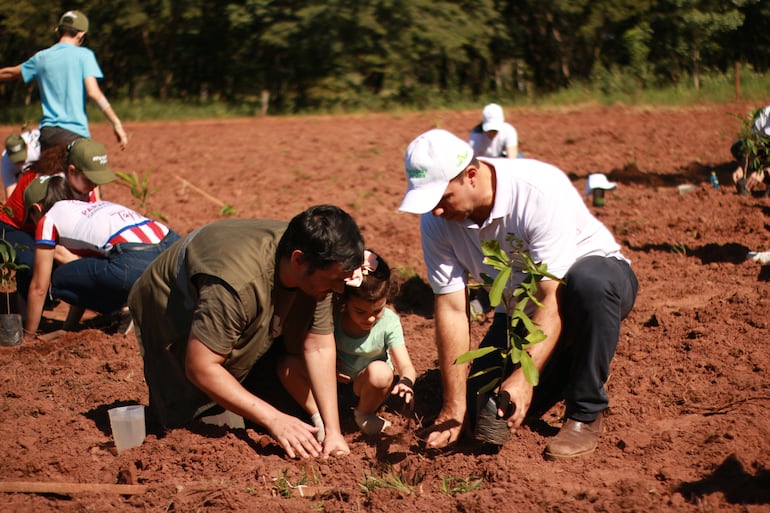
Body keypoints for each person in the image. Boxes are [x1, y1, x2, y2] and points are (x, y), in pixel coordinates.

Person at [398, 129, 638, 460]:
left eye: (442, 198)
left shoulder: (537, 191)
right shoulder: (437, 221)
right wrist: (454, 406)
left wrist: (524, 378)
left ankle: (585, 411)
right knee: (488, 415)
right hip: (519, 310)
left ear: (471, 176)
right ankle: (570, 358)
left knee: (587, 283)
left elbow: (550, 294)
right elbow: (453, 308)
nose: (435, 211)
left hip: (593, 284)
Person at [127, 205, 365, 460]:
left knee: (279, 400)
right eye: (334, 280)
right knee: (194, 421)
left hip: (243, 288)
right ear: (298, 260)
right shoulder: (237, 286)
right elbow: (201, 367)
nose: (340, 289)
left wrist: (333, 431)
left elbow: (318, 346)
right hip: (173, 299)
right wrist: (273, 419)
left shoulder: (319, 264)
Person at [278, 249, 417, 439]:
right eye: (360, 311)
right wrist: (326, 369)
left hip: (365, 389)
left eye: (377, 310)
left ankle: (364, 413)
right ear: (345, 302)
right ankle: (319, 417)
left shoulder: (389, 322)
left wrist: (406, 382)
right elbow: (311, 348)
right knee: (287, 366)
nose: (369, 319)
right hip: (328, 385)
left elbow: (406, 365)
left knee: (381, 372)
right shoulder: (334, 316)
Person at [22, 175, 180, 337]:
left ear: (37, 209)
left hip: (135, 259)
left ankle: (126, 308)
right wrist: (69, 328)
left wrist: (28, 335)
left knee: (59, 279)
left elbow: (39, 288)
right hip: (173, 245)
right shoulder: (92, 208)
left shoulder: (48, 220)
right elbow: (84, 282)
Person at [0, 138, 115, 301]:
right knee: (33, 263)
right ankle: (23, 306)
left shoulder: (81, 183)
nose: (93, 185)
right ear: (72, 170)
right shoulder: (52, 185)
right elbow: (51, 240)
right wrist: (88, 271)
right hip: (14, 227)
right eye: (89, 178)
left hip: (41, 228)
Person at [0, 10, 127, 151]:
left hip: (47, 135)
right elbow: (94, 93)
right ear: (81, 35)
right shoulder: (84, 56)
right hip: (74, 134)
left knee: (50, 173)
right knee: (81, 171)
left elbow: (10, 73)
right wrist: (116, 123)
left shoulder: (41, 58)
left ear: (57, 31)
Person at [730, 105, 770, 196]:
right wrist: (742, 167)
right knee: (738, 147)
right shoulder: (765, 115)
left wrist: (765, 173)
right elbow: (752, 145)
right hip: (766, 151)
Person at [2, 129, 41, 199]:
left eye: (21, 157)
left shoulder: (37, 148)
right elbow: (11, 194)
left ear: (27, 146)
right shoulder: (6, 161)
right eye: (16, 160)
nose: (20, 162)